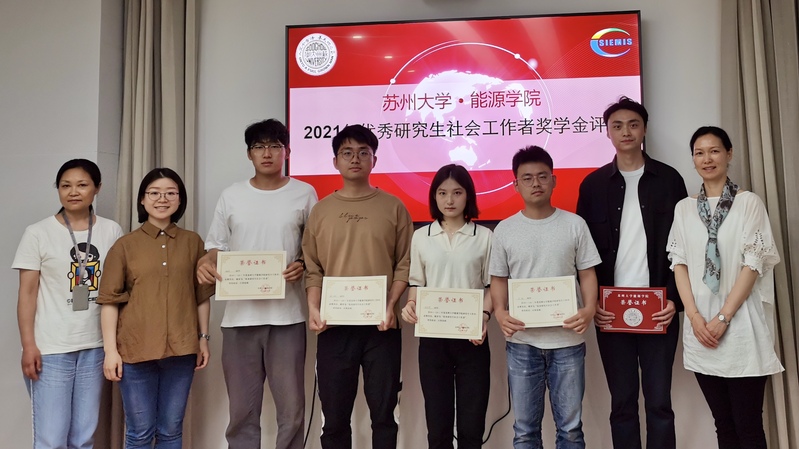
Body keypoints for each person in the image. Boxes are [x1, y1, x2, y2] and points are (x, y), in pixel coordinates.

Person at [196, 119, 317, 449]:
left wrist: (302, 264)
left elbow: (314, 250)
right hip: (239, 319)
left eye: (275, 146)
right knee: (242, 412)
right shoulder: (232, 195)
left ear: (287, 152)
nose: (267, 153)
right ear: (249, 154)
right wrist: (206, 262)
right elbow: (215, 247)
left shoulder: (304, 193)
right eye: (259, 147)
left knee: (291, 411)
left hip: (287, 317)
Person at [575, 96, 687, 449]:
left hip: (660, 308)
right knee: (621, 403)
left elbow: (685, 248)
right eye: (617, 126)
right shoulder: (592, 185)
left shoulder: (669, 180)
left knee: (659, 403)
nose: (626, 131)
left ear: (645, 130)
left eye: (633, 124)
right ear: (607, 132)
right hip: (611, 312)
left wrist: (675, 300)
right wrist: (592, 304)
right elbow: (582, 256)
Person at [667, 126, 782, 449]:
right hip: (701, 330)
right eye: (699, 153)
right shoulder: (684, 208)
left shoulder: (748, 203)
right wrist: (694, 317)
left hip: (741, 327)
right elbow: (679, 264)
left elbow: (753, 264)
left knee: (748, 426)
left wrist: (723, 317)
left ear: (729, 154)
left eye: (714, 151)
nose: (707, 159)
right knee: (723, 425)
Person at [302, 124, 413, 449]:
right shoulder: (321, 211)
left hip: (382, 328)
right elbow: (313, 268)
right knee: (335, 419)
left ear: (374, 160)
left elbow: (404, 264)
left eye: (363, 152)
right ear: (335, 161)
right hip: (334, 328)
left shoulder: (394, 207)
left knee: (384, 416)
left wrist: (390, 306)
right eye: (347, 153)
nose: (355, 159)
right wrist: (313, 308)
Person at [490, 145, 600, 449]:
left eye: (542, 176)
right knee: (525, 431)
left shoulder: (575, 225)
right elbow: (498, 279)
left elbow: (587, 273)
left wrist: (589, 309)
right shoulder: (504, 230)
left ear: (554, 180)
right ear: (516, 184)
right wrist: (500, 312)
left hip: (567, 341)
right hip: (522, 343)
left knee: (571, 430)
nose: (535, 183)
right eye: (527, 178)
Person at [98, 168, 212, 449]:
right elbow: (110, 301)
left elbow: (201, 297)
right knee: (139, 432)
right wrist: (111, 351)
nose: (163, 199)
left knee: (171, 430)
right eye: (155, 193)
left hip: (182, 350)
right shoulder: (124, 246)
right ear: (142, 199)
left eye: (171, 193)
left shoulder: (193, 242)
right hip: (134, 352)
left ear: (180, 199)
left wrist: (203, 339)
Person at [13, 159, 123, 449]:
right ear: (58, 189)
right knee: (51, 440)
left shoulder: (112, 230)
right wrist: (28, 345)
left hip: (94, 346)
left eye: (82, 184)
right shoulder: (38, 233)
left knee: (83, 438)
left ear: (97, 188)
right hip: (51, 349)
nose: (73, 192)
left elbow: (117, 289)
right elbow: (27, 294)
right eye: (65, 185)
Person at [400, 164, 493, 449]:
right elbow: (417, 283)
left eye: (457, 192)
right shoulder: (421, 236)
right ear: (434, 197)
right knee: (437, 425)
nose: (449, 200)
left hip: (472, 338)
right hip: (433, 339)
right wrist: (411, 305)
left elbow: (492, 286)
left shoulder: (484, 237)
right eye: (442, 193)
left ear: (468, 196)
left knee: (471, 425)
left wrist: (484, 316)